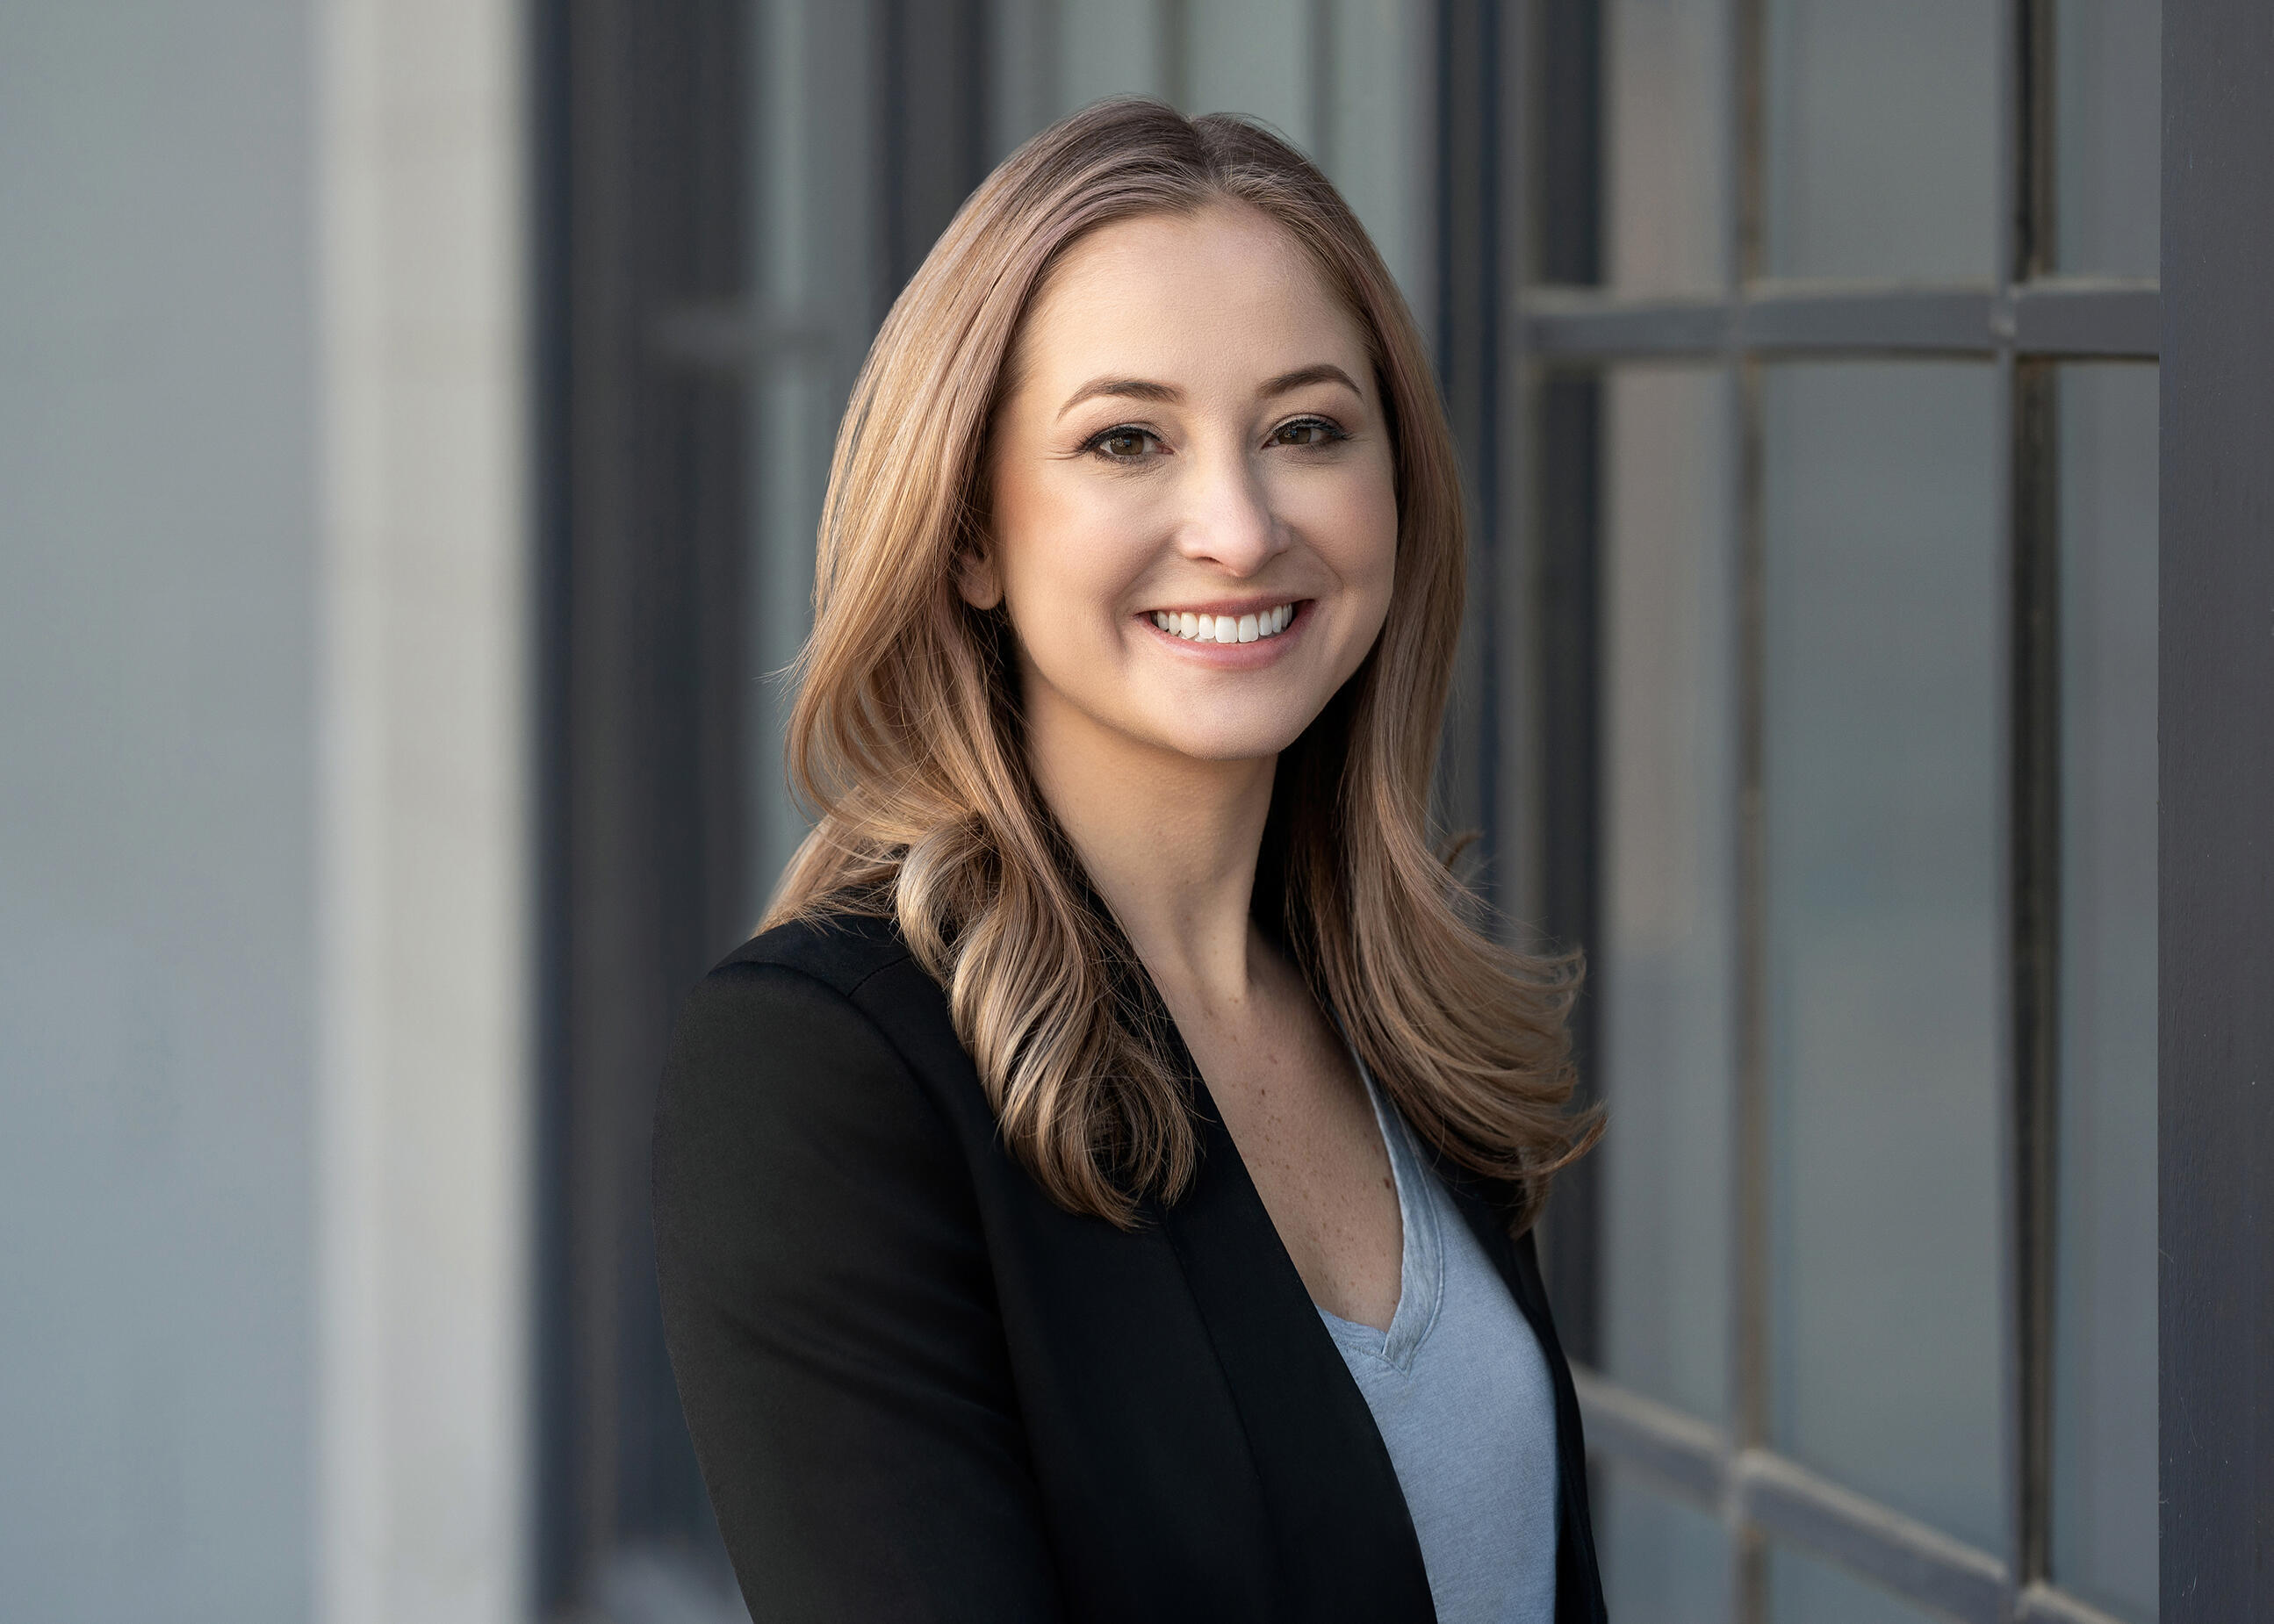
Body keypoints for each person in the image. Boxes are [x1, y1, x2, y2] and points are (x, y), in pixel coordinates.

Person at [651, 97, 1606, 1623]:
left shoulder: (1400, 1020)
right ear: (970, 533)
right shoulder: (824, 1071)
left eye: (1305, 430)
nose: (1237, 525)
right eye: (1125, 440)